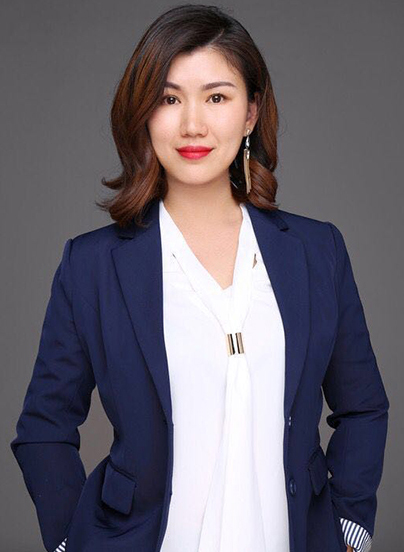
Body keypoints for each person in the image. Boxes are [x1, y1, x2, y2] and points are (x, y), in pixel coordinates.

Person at [10, 4, 389, 552]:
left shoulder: (317, 251)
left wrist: (349, 527)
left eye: (217, 97)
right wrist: (74, 542)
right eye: (169, 99)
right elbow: (44, 427)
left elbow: (363, 407)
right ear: (144, 114)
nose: (193, 124)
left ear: (250, 113)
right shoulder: (92, 265)